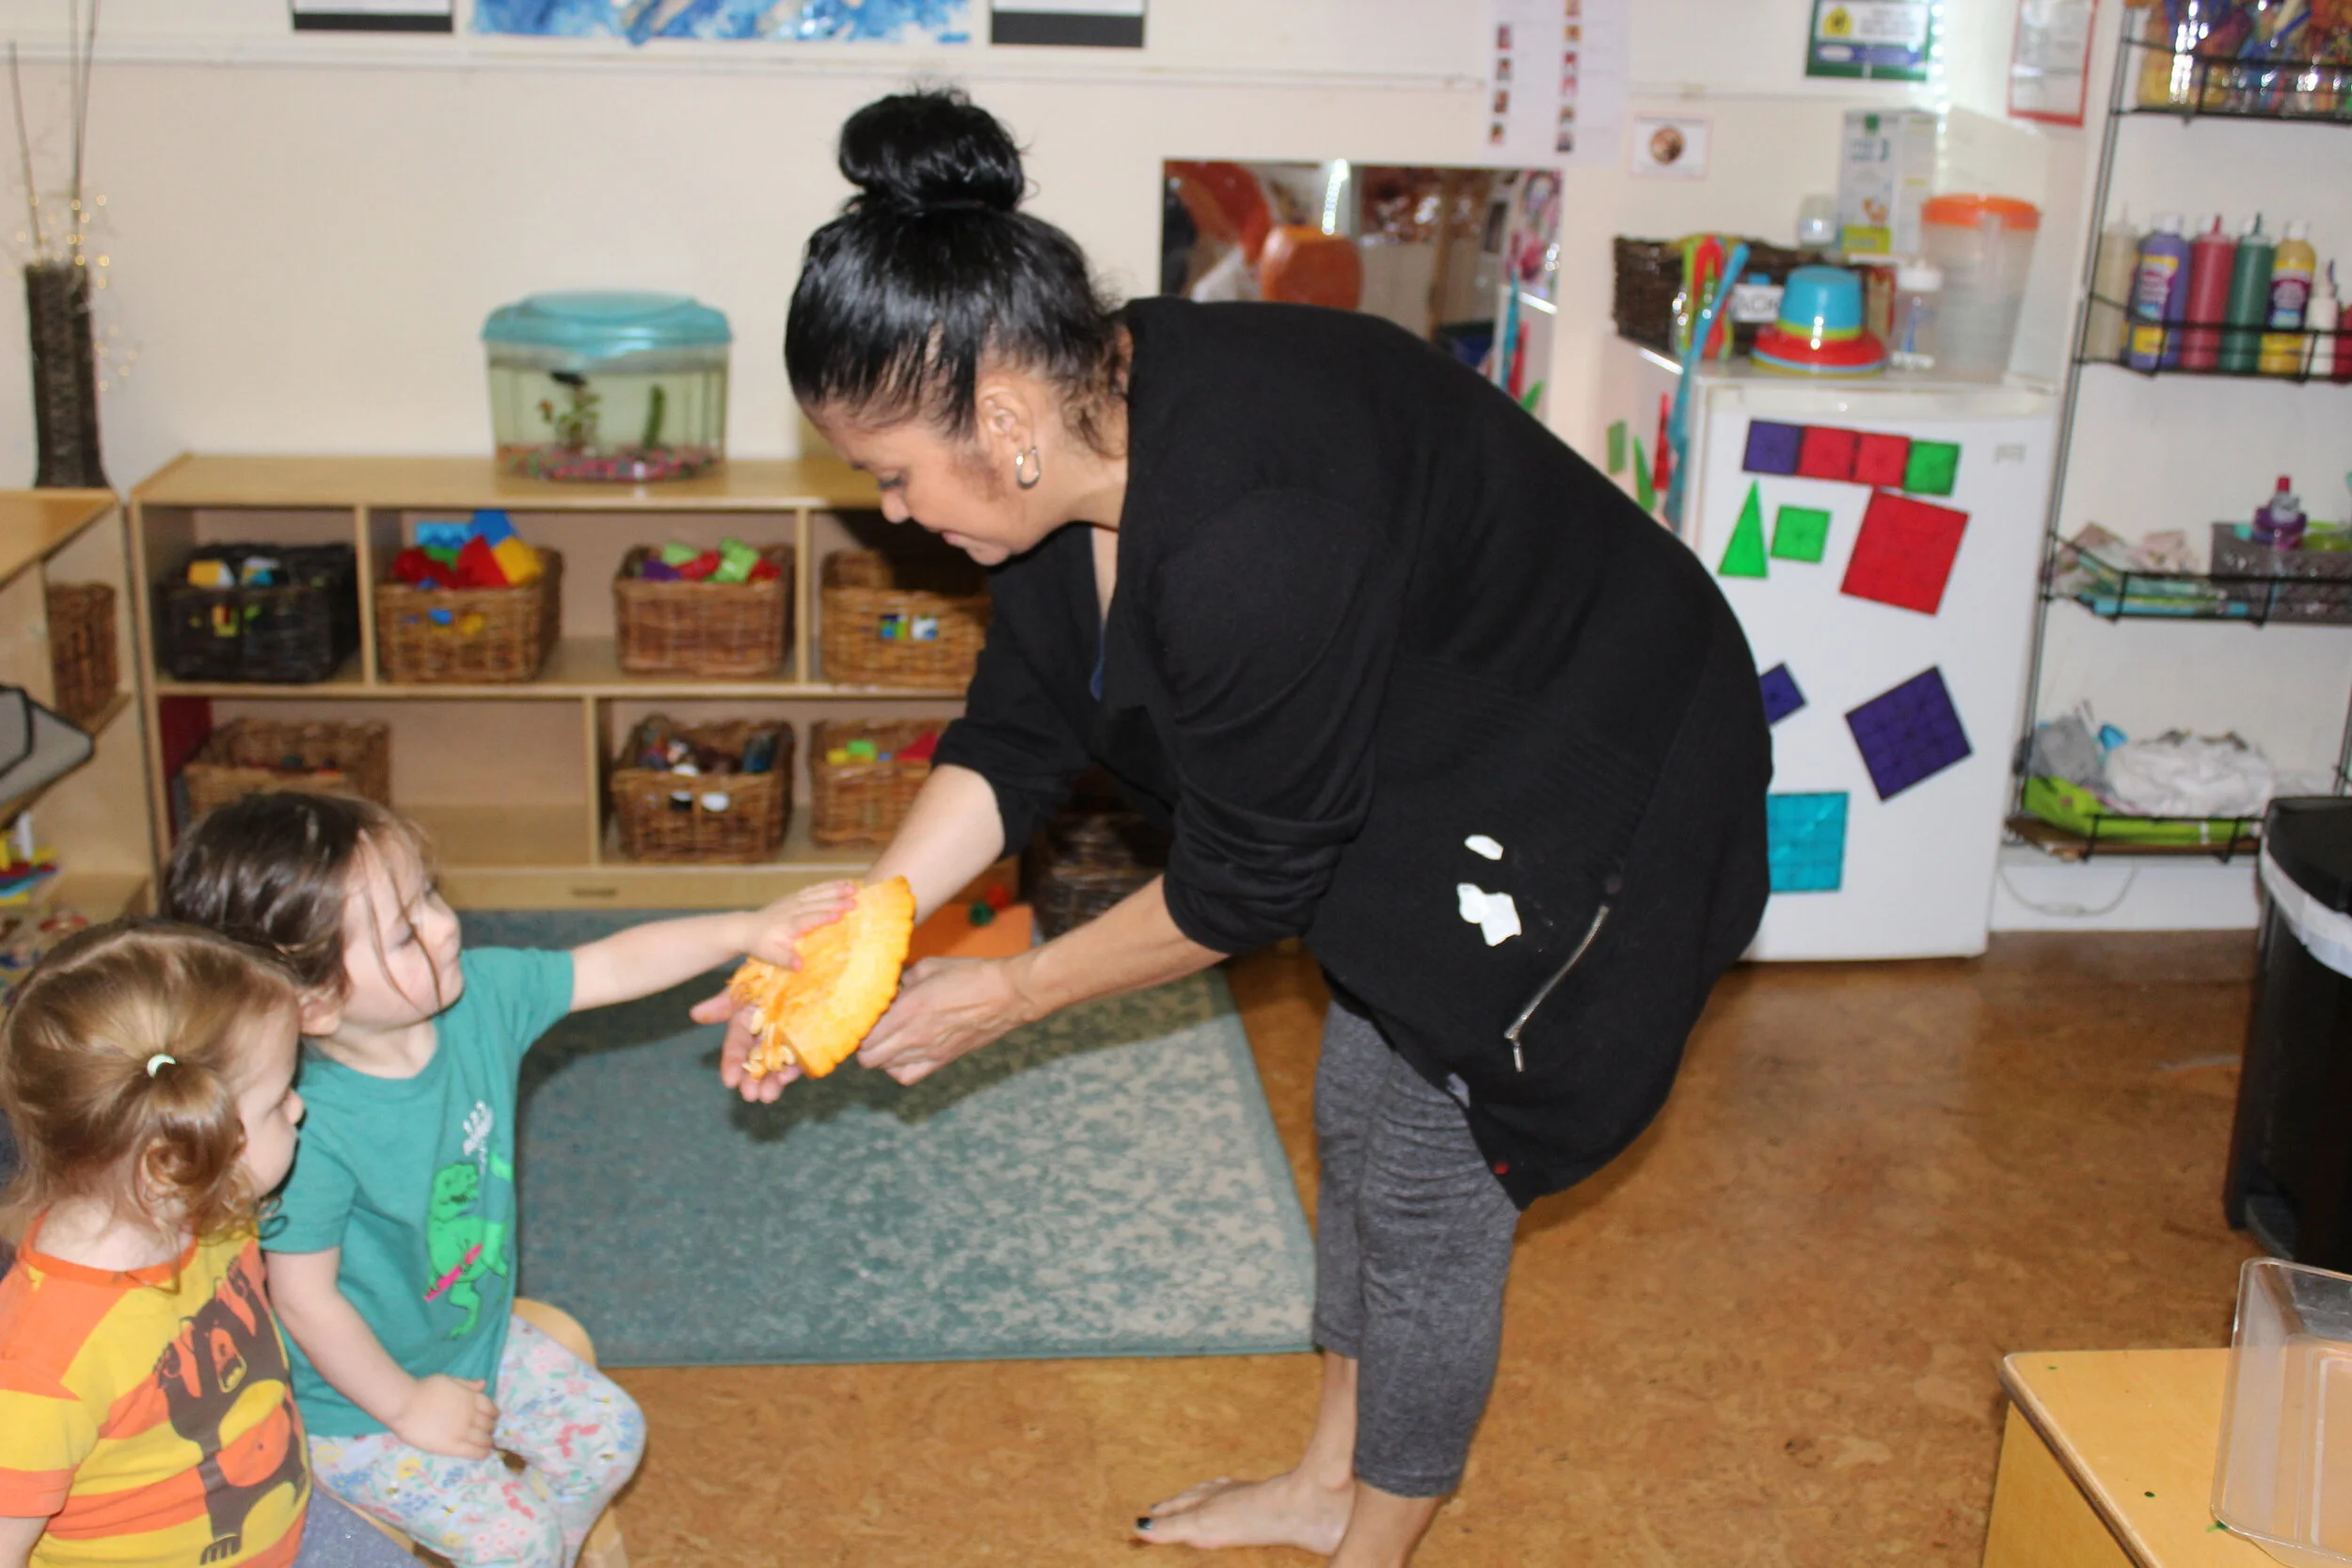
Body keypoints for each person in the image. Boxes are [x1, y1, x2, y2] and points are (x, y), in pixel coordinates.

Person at [705, 88, 1772, 1567]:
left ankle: (1376, 1540)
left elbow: (1247, 878)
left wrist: (1004, 995)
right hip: (1431, 741)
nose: (888, 510)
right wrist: (872, 916)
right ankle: (1328, 1475)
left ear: (1001, 418)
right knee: (1360, 1104)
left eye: (891, 471)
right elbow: (1020, 732)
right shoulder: (1079, 445)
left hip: (1598, 761)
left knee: (1430, 1167)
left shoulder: (1252, 531)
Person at [163, 793, 856, 1568]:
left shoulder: (479, 1000)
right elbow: (303, 1299)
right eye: (404, 930)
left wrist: (741, 931)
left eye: (428, 891)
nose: (445, 923)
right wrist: (406, 1405)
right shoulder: (304, 1125)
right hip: (350, 1407)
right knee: (513, 1536)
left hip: (471, 1343)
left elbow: (611, 962)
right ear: (313, 1001)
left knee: (611, 1442)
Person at [0, 922, 417, 1568]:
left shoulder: (210, 1212)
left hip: (292, 1525)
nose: (300, 1109)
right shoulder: (41, 1361)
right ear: (173, 1157)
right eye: (278, 1100)